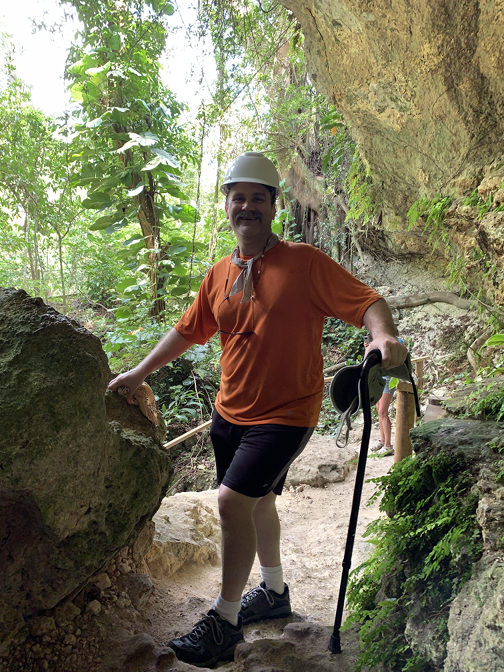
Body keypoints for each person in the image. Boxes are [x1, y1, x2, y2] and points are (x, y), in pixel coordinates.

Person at [108, 151, 407, 667]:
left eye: (257, 198)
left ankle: (224, 621)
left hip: (287, 414)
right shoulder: (221, 273)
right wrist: (139, 372)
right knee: (260, 501)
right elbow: (187, 330)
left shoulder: (305, 263)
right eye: (238, 197)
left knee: (230, 504)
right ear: (226, 204)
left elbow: (367, 302)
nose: (246, 206)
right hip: (230, 413)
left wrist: (381, 338)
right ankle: (273, 592)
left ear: (273, 206)